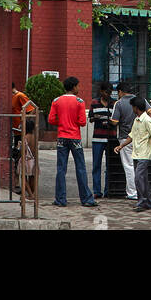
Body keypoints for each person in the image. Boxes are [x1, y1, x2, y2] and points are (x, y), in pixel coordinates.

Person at [48, 75, 97, 207]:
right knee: (80, 168)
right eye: (78, 85)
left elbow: (51, 119)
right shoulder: (80, 102)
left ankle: (60, 199)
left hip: (62, 138)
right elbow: (82, 122)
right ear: (74, 86)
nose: (79, 88)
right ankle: (86, 199)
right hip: (75, 137)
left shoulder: (56, 100)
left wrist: (62, 122)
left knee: (61, 169)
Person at [114, 94, 151, 212]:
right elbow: (131, 136)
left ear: (136, 108)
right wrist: (121, 146)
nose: (132, 109)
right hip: (136, 153)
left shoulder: (147, 121)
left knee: (138, 178)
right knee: (143, 179)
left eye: (133, 107)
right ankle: (148, 201)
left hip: (144, 154)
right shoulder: (136, 120)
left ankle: (142, 202)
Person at [110, 82, 151, 202]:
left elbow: (114, 121)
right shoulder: (141, 100)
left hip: (125, 137)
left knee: (129, 166)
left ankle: (133, 192)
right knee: (140, 166)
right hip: (141, 138)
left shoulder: (119, 103)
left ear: (120, 92)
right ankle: (142, 192)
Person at [10, 82, 37, 195]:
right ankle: (18, 184)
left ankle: (24, 187)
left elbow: (32, 108)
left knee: (21, 159)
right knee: (16, 158)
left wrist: (25, 123)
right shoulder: (12, 97)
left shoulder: (19, 96)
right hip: (15, 131)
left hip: (20, 132)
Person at [89, 82, 113, 198]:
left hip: (111, 138)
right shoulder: (94, 103)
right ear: (101, 92)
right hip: (98, 138)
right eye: (106, 92)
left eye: (109, 93)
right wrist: (96, 118)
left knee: (110, 166)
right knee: (96, 165)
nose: (108, 95)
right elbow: (90, 119)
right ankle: (97, 191)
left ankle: (108, 190)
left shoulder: (114, 104)